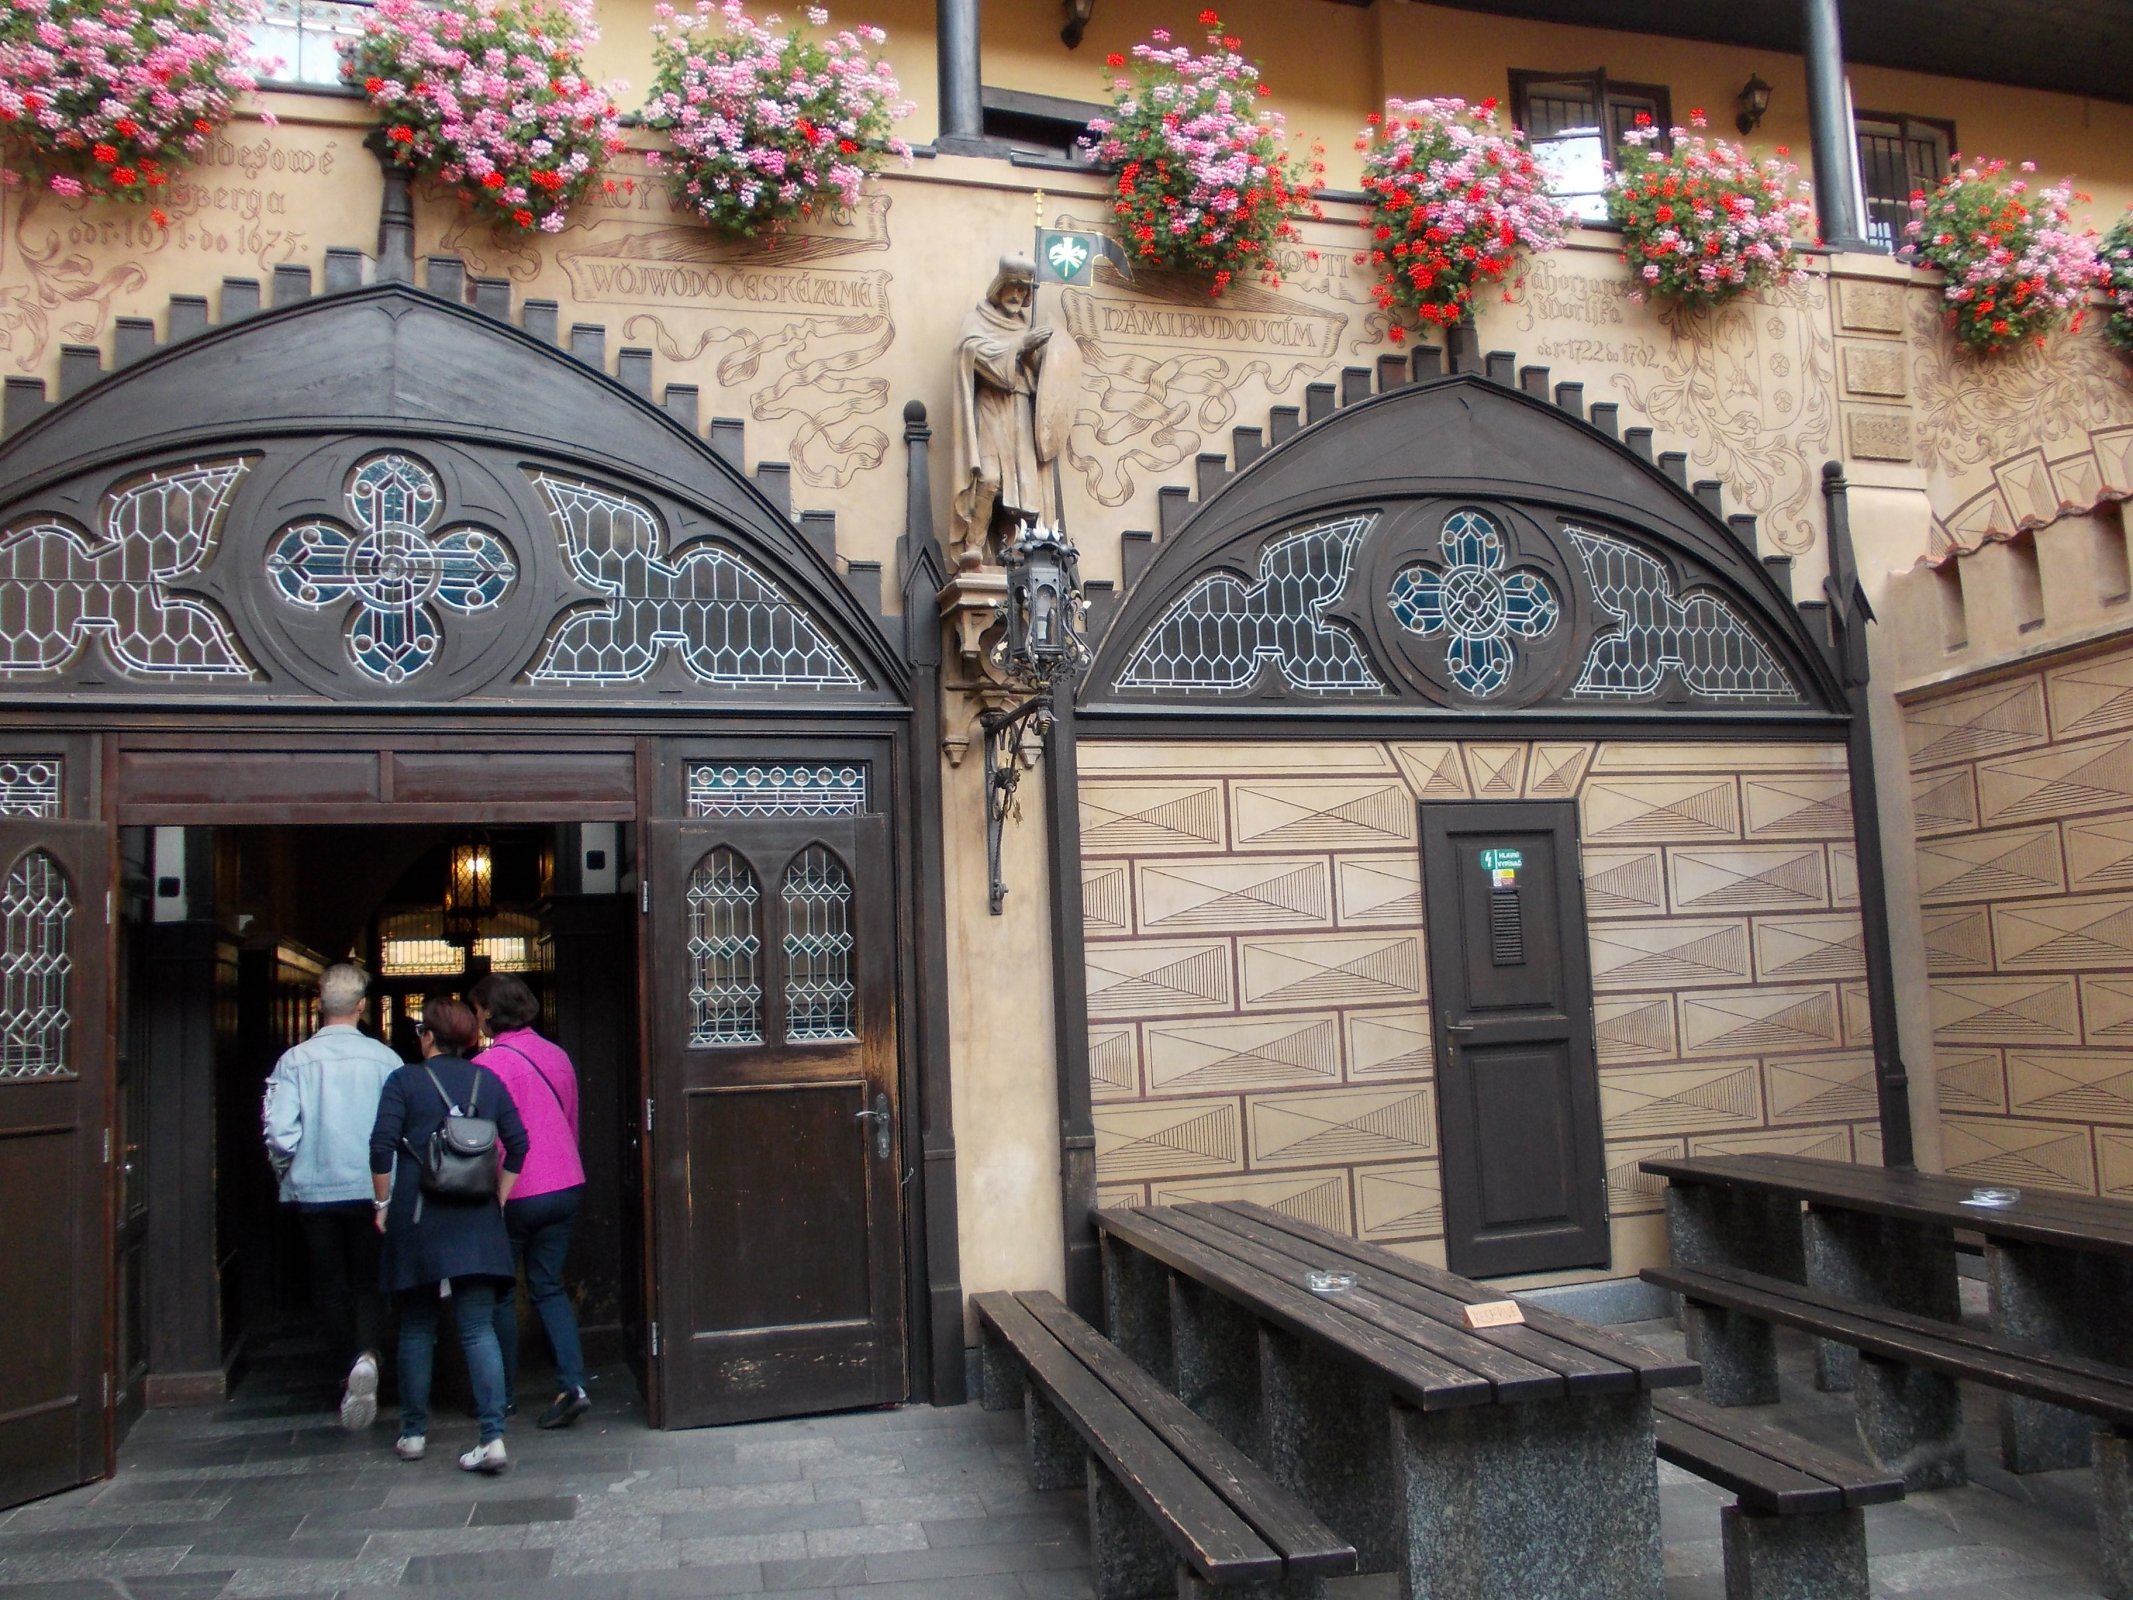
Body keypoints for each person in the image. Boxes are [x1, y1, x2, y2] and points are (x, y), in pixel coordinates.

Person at [369, 997, 528, 1474]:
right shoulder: (489, 1080)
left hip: (417, 1217)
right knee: (478, 1329)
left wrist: (381, 1204)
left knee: (417, 1326)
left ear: (427, 1037)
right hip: (477, 1220)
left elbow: (380, 1146)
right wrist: (499, 1197)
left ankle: (414, 1433)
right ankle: (492, 1438)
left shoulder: (404, 1081)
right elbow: (519, 1143)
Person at [261, 962, 402, 1432]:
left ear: (319, 1005)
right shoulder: (386, 1060)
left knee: (329, 1283)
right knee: (368, 1279)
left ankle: (346, 1369)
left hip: (315, 1190)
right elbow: (398, 1128)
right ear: (362, 1006)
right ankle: (368, 1355)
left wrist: (289, 1173)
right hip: (371, 1189)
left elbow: (280, 1134)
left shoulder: (294, 1061)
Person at [470, 972, 592, 1430]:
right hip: (565, 1182)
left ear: (489, 1012)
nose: (476, 1016)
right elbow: (570, 1120)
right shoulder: (557, 1055)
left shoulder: (487, 1066)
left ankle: (502, 1396)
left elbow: (480, 1140)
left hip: (515, 1189)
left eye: (477, 1008)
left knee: (502, 1292)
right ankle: (573, 1384)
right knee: (548, 1286)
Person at [950, 253, 1066, 562]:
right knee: (989, 479)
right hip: (991, 405)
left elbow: (1040, 375)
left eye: (1023, 288)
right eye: (1012, 286)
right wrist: (1020, 345)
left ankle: (1016, 548)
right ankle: (974, 545)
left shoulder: (1025, 324)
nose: (1017, 294)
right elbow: (970, 353)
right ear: (999, 285)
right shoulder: (978, 320)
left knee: (1022, 486)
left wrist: (1037, 353)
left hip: (1019, 407)